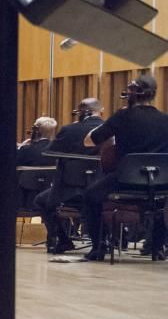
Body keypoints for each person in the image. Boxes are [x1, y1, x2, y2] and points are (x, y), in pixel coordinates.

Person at [82, 75, 168, 261]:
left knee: (90, 196)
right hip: (161, 182)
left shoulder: (122, 116)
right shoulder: (165, 119)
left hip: (125, 180)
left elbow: (90, 141)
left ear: (131, 94)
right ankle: (158, 247)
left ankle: (99, 247)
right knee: (161, 202)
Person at [33, 99, 101, 253]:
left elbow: (49, 152)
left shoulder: (69, 130)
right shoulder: (109, 130)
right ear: (100, 111)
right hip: (100, 189)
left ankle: (64, 240)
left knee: (41, 202)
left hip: (71, 191)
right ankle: (105, 241)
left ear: (80, 113)